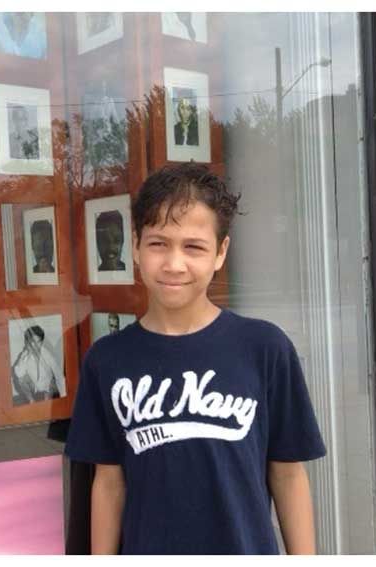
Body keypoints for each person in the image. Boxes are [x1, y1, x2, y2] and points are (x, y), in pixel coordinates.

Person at [65, 162, 325, 554]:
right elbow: (108, 482)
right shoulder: (107, 360)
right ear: (135, 246)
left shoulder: (265, 349)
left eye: (194, 247)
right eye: (158, 244)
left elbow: (288, 475)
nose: (174, 264)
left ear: (220, 252)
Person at [10, 324, 66, 404]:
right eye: (33, 342)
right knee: (21, 379)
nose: (36, 346)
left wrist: (64, 397)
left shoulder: (47, 355)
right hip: (34, 386)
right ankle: (31, 400)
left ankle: (47, 400)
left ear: (42, 342)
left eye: (38, 342)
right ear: (28, 342)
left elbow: (59, 376)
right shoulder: (25, 354)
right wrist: (27, 355)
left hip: (48, 386)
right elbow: (18, 373)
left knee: (53, 382)